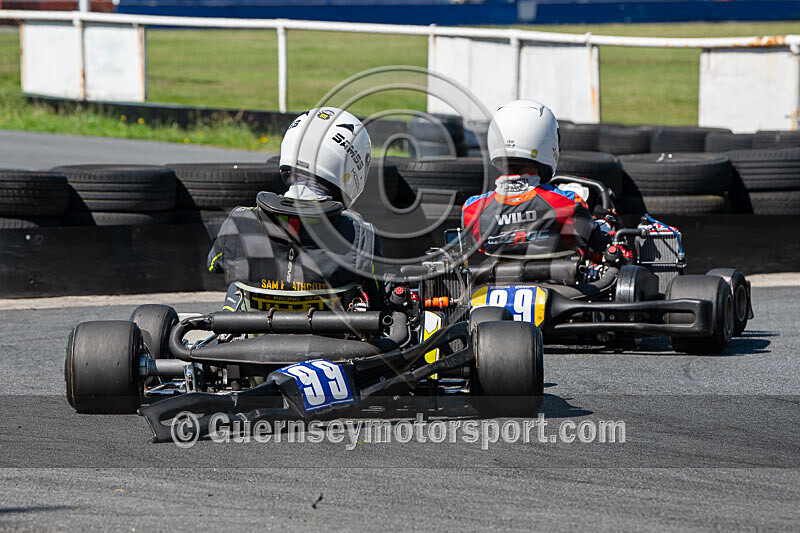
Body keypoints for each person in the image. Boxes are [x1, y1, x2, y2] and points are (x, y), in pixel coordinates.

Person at [207, 107, 381, 312]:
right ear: (352, 165)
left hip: (255, 337)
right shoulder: (359, 233)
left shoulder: (241, 221)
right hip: (333, 340)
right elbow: (379, 297)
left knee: (236, 285)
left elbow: (214, 265)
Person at [462, 99, 610, 260]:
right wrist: (604, 225)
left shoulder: (472, 209)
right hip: (556, 282)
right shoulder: (566, 202)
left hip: (491, 283)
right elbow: (596, 252)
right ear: (547, 142)